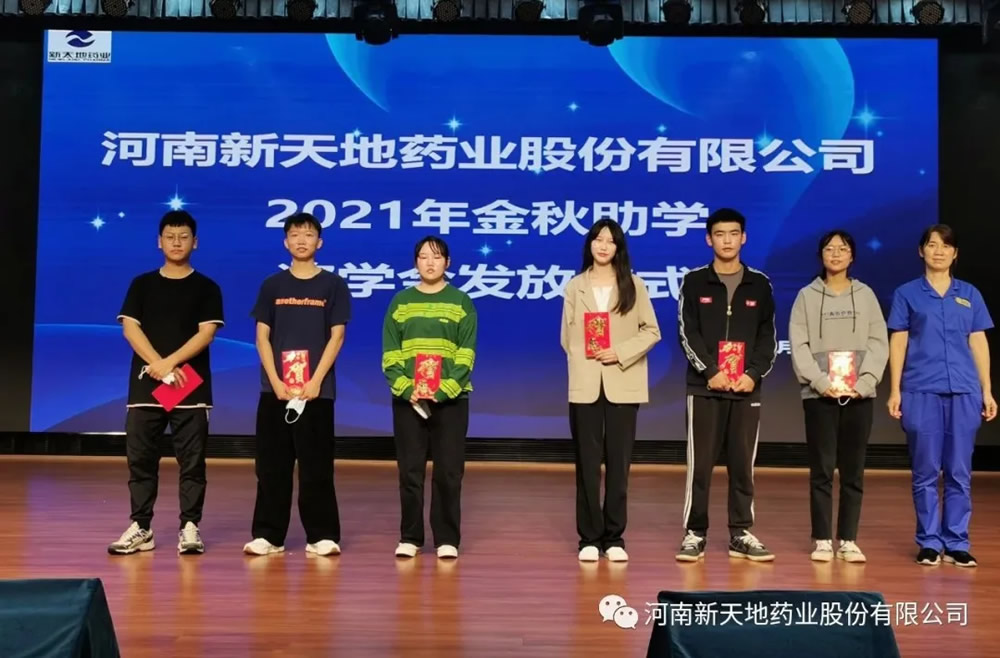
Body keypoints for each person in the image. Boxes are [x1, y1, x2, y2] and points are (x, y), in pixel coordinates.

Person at [108, 210, 224, 556]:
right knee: (140, 460)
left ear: (195, 242)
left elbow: (206, 334)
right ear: (159, 242)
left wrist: (169, 363)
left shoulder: (207, 287)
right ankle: (141, 527)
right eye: (170, 237)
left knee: (192, 462)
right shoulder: (141, 284)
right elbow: (130, 328)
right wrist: (157, 365)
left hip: (190, 386)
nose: (177, 242)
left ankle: (190, 526)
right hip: (147, 387)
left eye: (183, 236)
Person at [887, 224, 996, 568]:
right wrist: (894, 390)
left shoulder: (969, 294)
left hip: (964, 390)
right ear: (921, 251)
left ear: (955, 253)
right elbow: (899, 342)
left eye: (946, 246)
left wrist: (987, 389)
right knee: (925, 471)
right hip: (920, 390)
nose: (939, 251)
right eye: (932, 245)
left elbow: (978, 341)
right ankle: (930, 542)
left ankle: (957, 541)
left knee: (959, 471)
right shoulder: (907, 293)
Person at [243, 213, 351, 557]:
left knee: (316, 466)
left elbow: (337, 336)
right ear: (285, 242)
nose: (301, 240)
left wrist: (315, 380)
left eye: (308, 235)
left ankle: (322, 535)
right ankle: (269, 535)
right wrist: (275, 381)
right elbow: (262, 337)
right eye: (294, 234)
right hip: (275, 391)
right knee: (271, 467)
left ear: (320, 242)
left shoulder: (333, 285)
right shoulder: (272, 285)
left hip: (317, 392)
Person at [675, 208, 777, 562]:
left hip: (747, 388)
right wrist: (709, 371)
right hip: (704, 388)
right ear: (709, 239)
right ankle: (695, 532)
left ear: (744, 238)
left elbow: (768, 337)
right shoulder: (694, 281)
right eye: (720, 234)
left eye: (734, 233)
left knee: (742, 464)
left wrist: (753, 374)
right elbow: (687, 333)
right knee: (700, 465)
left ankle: (741, 531)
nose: (727, 240)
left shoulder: (760, 284)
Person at [560, 219, 661, 563]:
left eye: (610, 241)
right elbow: (567, 337)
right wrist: (586, 361)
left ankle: (614, 537)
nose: (603, 246)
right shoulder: (575, 286)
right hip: (585, 384)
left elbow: (651, 331)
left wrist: (619, 352)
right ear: (589, 244)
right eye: (598, 239)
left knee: (619, 465)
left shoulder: (634, 284)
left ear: (619, 248)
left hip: (623, 381)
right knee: (587, 465)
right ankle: (589, 537)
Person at [789, 230, 888, 564]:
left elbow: (878, 342)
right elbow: (798, 344)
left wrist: (865, 382)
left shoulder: (866, 295)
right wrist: (820, 382)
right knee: (821, 470)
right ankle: (821, 539)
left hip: (859, 396)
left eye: (842, 249)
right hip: (819, 396)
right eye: (829, 249)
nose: (835, 254)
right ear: (821, 256)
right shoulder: (806, 296)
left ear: (852, 256)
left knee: (853, 471)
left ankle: (848, 539)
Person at [382, 236, 477, 560]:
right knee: (410, 471)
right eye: (423, 257)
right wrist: (407, 388)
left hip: (451, 400)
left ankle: (446, 538)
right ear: (415, 263)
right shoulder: (400, 302)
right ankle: (410, 537)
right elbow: (391, 353)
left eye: (436, 257)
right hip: (409, 400)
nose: (430, 262)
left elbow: (466, 353)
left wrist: (442, 390)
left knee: (449, 471)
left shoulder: (461, 302)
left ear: (447, 263)